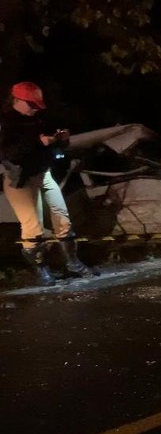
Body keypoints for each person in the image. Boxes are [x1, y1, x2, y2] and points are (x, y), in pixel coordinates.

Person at [0, 81, 97, 285]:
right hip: (20, 180)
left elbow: (52, 146)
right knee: (32, 229)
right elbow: (8, 154)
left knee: (63, 221)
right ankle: (42, 270)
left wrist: (61, 139)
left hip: (44, 174)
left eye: (37, 105)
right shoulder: (6, 122)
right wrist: (38, 142)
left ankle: (73, 263)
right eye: (31, 104)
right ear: (16, 100)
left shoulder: (39, 119)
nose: (35, 108)